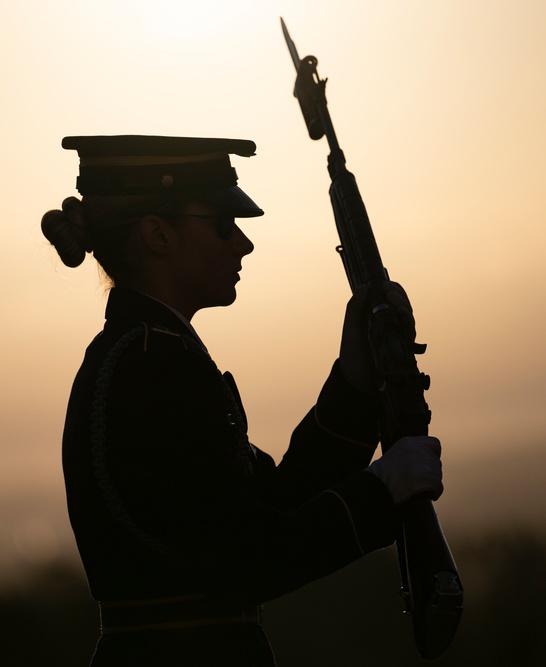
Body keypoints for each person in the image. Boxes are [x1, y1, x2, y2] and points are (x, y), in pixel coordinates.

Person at [41, 135, 443, 666]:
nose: (242, 244)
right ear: (158, 234)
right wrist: (378, 494)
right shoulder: (152, 366)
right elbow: (250, 556)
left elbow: (268, 502)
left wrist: (356, 384)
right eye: (222, 225)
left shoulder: (150, 354)